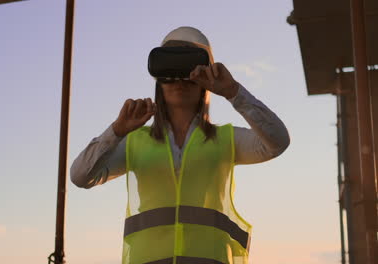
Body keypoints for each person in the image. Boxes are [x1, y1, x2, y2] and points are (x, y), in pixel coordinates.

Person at [70, 26, 290, 264]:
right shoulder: (134, 142)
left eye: (190, 72)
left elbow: (278, 142)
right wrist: (116, 131)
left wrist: (233, 92)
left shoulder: (226, 139)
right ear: (158, 80)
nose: (180, 80)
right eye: (170, 71)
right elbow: (81, 177)